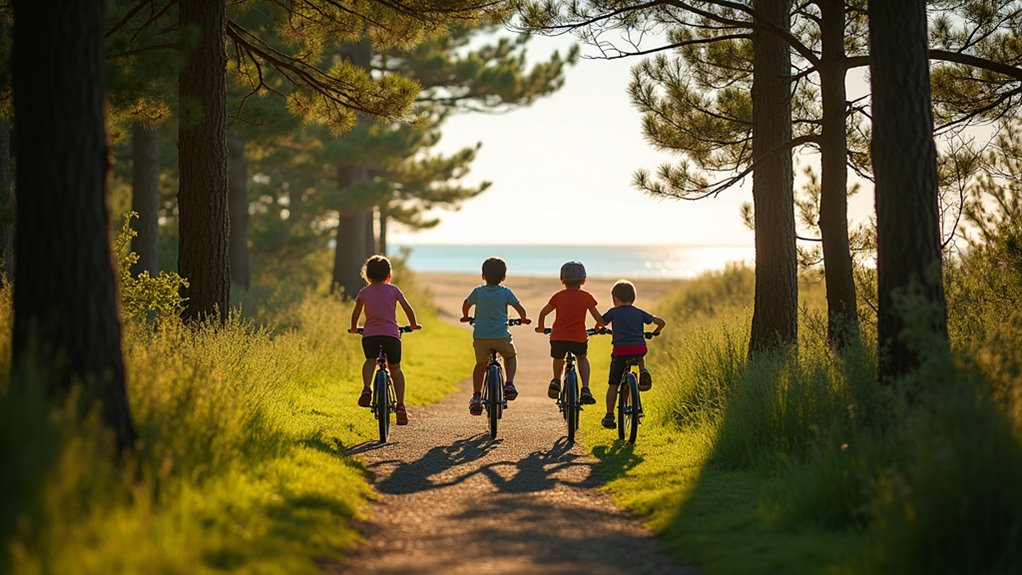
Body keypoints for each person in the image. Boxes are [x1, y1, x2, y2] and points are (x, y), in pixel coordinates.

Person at [348, 255, 421, 426]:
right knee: (395, 368)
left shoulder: (364, 292)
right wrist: (413, 324)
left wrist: (353, 327)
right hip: (391, 336)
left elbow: (356, 313)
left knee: (370, 360)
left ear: (367, 276)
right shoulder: (394, 290)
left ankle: (367, 388)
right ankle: (401, 406)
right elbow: (407, 308)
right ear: (389, 276)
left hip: (370, 335)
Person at [460, 257, 530, 415]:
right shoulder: (506, 292)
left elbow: (466, 303)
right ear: (504, 277)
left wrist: (465, 316)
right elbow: (520, 309)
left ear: (483, 275)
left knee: (480, 364)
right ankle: (510, 383)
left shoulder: (478, 291)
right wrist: (524, 319)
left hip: (481, 337)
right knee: (510, 356)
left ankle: (477, 396)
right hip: (501, 336)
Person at [534, 261, 604, 405]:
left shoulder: (558, 296)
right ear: (583, 280)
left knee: (558, 358)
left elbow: (543, 313)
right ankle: (585, 388)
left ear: (562, 280)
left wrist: (541, 327)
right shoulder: (587, 297)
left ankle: (556, 380)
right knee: (582, 358)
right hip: (578, 338)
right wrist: (598, 326)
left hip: (558, 337)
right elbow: (599, 319)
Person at [599, 279, 666, 429]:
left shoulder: (614, 312)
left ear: (615, 299)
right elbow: (661, 322)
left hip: (620, 351)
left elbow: (601, 323)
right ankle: (643, 370)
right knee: (639, 352)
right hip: (639, 348)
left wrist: (599, 328)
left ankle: (610, 415)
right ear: (633, 298)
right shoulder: (639, 312)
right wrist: (655, 332)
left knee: (613, 384)